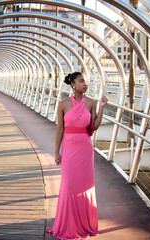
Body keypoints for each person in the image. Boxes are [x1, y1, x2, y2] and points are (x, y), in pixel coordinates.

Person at [47, 72, 108, 239]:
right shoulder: (63, 104)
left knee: (84, 185)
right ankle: (68, 224)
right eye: (81, 81)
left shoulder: (91, 103)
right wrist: (56, 152)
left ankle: (84, 223)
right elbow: (60, 129)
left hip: (85, 149)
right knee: (69, 185)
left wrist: (102, 107)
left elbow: (94, 126)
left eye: (86, 81)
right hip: (69, 149)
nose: (85, 84)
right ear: (73, 84)